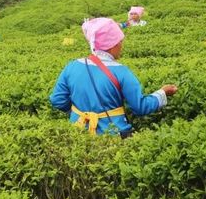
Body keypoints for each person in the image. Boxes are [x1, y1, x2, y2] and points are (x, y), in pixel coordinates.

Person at [49, 17, 177, 138]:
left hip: (78, 132)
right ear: (113, 45)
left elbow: (57, 100)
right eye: (120, 42)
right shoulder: (122, 72)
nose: (121, 46)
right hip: (113, 135)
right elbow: (140, 107)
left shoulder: (72, 66)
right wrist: (163, 93)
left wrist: (79, 113)